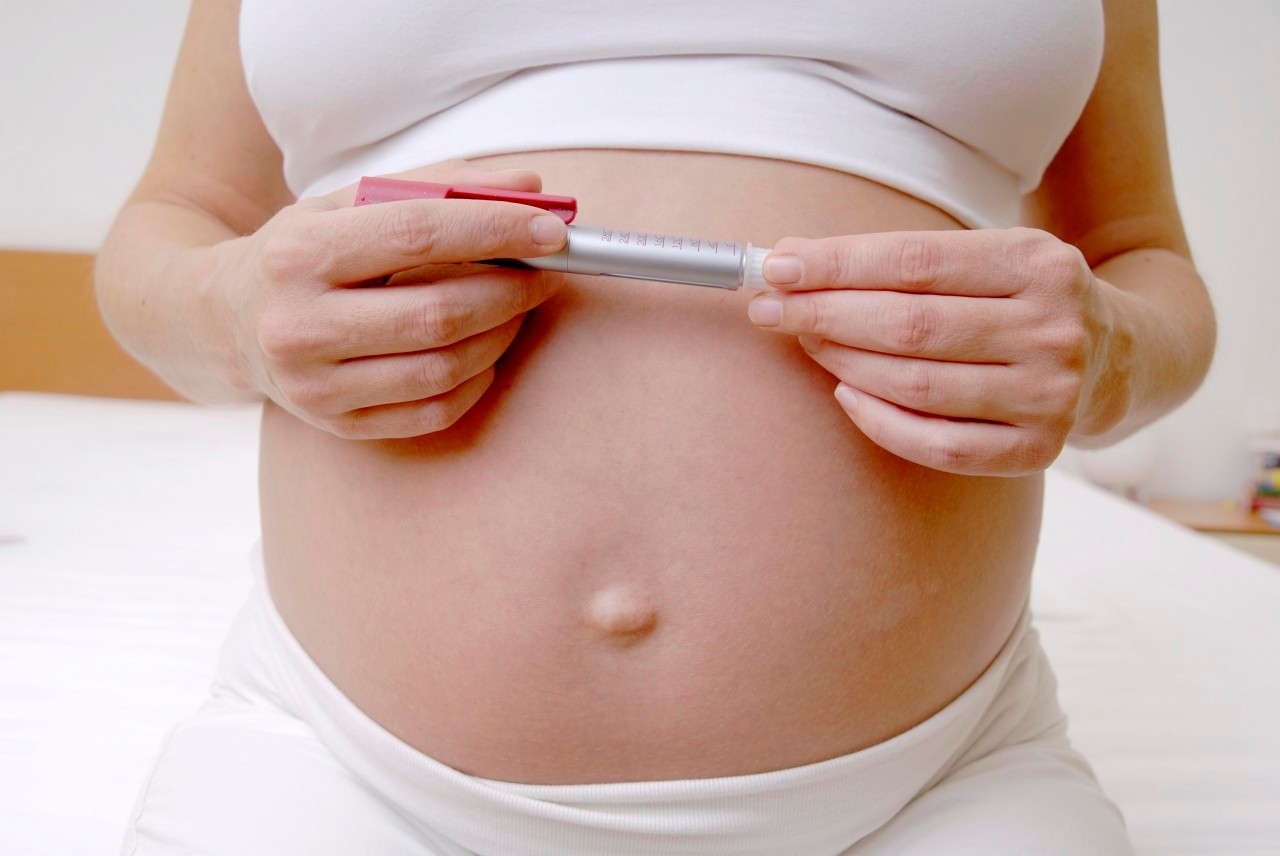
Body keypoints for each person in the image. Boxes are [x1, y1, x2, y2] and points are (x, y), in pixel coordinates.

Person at [98, 0, 1214, 853]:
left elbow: (1137, 254)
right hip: (333, 767)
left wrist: (1111, 351)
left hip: (937, 786)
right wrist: (235, 314)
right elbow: (175, 217)